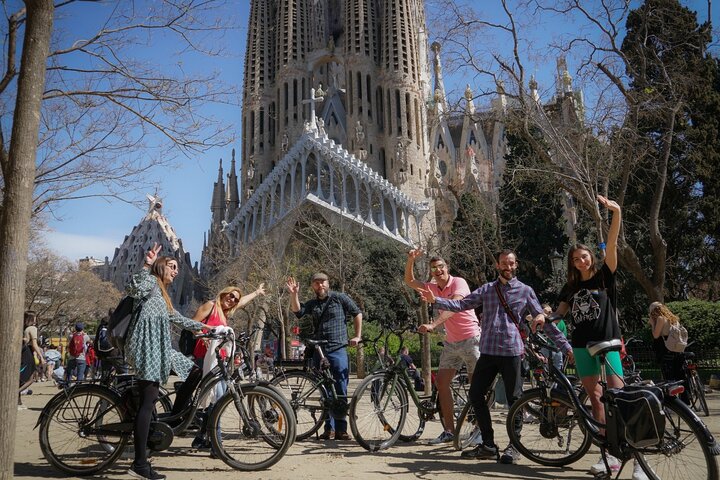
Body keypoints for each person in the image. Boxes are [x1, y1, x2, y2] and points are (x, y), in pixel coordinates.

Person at [418, 250, 571, 464]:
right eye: (503, 264)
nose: (507, 267)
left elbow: (543, 320)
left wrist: (566, 347)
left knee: (514, 400)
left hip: (511, 351)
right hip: (488, 350)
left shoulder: (525, 291)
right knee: (476, 394)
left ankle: (514, 446)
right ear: (498, 266)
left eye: (511, 263)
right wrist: (436, 300)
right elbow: (462, 304)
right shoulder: (488, 289)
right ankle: (488, 444)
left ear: (516, 265)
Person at [552, 195, 645, 480]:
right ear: (571, 263)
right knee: (595, 399)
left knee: (620, 398)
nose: (580, 260)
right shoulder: (569, 287)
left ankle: (640, 458)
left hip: (608, 341)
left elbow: (613, 245)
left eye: (584, 256)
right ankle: (611, 457)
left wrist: (616, 214)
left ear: (591, 257)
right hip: (581, 347)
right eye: (575, 258)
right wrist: (544, 317)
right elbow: (559, 313)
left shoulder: (605, 277)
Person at [125, 243, 205, 480]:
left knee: (194, 371)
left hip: (159, 348)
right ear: (160, 267)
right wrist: (146, 264)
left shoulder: (162, 293)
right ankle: (139, 464)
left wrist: (206, 328)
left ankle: (174, 418)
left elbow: (176, 318)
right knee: (148, 404)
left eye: (177, 268)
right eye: (172, 266)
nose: (176, 271)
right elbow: (132, 287)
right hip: (146, 348)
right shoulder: (150, 282)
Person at [405, 250, 481, 445]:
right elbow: (410, 281)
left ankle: (480, 431)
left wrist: (433, 324)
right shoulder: (432, 287)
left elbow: (454, 305)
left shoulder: (459, 282)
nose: (438, 270)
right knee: (441, 383)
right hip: (451, 342)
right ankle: (449, 431)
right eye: (434, 268)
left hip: (471, 338)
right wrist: (411, 260)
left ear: (447, 268)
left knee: (477, 388)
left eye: (441, 267)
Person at [178, 283, 266, 450]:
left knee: (217, 399)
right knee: (217, 400)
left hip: (221, 361)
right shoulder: (210, 306)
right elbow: (190, 324)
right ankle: (216, 445)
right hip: (206, 358)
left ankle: (201, 438)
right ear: (223, 293)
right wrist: (202, 336)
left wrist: (256, 292)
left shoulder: (225, 312)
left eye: (235, 299)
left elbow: (242, 302)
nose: (232, 300)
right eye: (230, 296)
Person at [286, 272, 362, 441]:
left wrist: (357, 336)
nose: (320, 286)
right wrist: (294, 294)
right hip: (319, 351)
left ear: (328, 283)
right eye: (316, 283)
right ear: (312, 285)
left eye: (323, 282)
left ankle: (341, 429)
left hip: (338, 348)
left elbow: (357, 313)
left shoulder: (340, 298)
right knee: (324, 391)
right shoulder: (313, 303)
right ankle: (328, 429)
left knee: (340, 389)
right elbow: (298, 311)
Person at [648, 302, 689, 403]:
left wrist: (653, 324)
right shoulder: (673, 318)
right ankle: (686, 400)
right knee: (680, 375)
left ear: (653, 311)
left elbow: (656, 335)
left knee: (670, 378)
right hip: (677, 349)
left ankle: (674, 402)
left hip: (667, 350)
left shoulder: (661, 318)